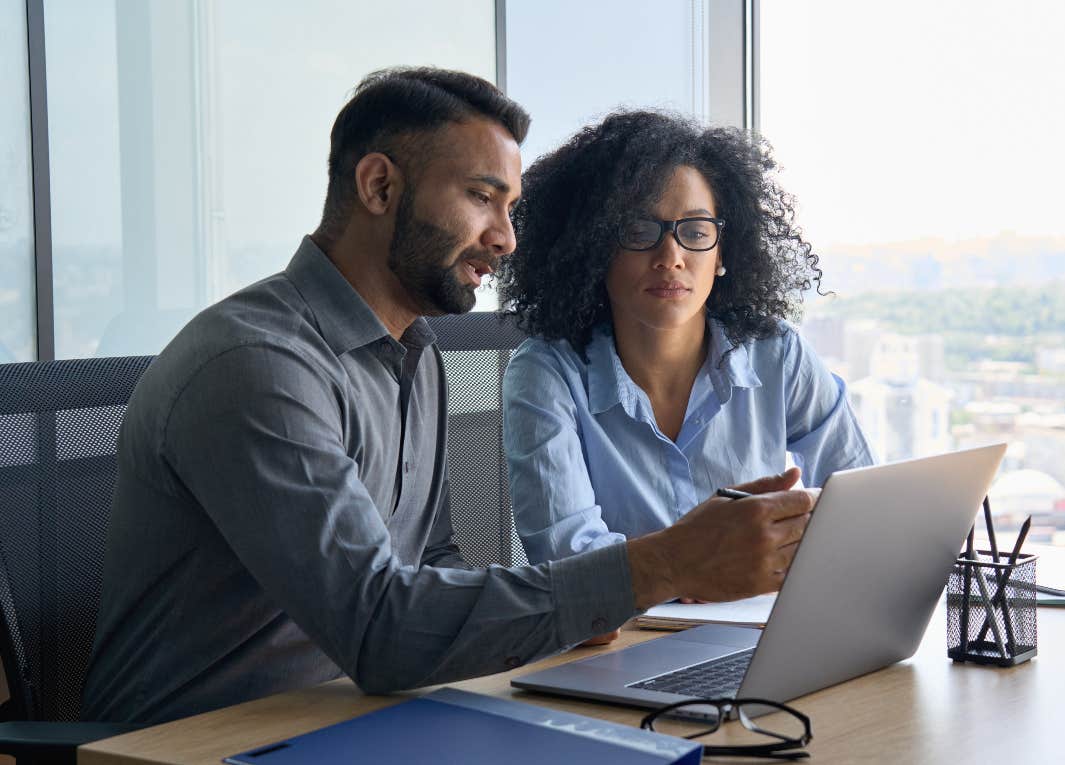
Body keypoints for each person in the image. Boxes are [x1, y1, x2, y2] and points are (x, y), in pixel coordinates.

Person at [81, 68, 815, 725]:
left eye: (511, 207)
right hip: (198, 742)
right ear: (379, 187)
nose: (506, 239)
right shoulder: (258, 365)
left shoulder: (416, 354)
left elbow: (432, 564)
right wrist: (658, 566)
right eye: (481, 198)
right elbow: (379, 628)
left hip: (358, 718)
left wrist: (578, 602)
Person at [497, 112, 873, 642]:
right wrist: (692, 566)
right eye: (638, 230)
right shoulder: (545, 374)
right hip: (615, 652)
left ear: (723, 253)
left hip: (764, 636)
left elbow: (857, 502)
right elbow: (572, 568)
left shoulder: (776, 353)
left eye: (696, 232)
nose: (670, 256)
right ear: (592, 248)